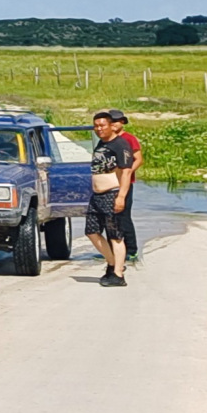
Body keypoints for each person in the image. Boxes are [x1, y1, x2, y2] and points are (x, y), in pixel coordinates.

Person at [84, 109, 136, 287]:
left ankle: (118, 274)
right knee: (91, 231)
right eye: (96, 126)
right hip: (97, 195)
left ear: (112, 126)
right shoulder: (101, 143)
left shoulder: (120, 145)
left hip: (112, 193)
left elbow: (127, 172)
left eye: (102, 125)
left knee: (115, 235)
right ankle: (113, 263)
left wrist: (121, 197)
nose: (98, 129)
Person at [110, 112, 142, 262]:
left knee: (123, 216)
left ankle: (131, 250)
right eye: (111, 121)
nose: (113, 124)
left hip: (125, 183)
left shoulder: (129, 138)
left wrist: (126, 173)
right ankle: (113, 250)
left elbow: (138, 159)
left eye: (116, 121)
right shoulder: (107, 139)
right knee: (109, 217)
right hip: (109, 184)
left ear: (122, 122)